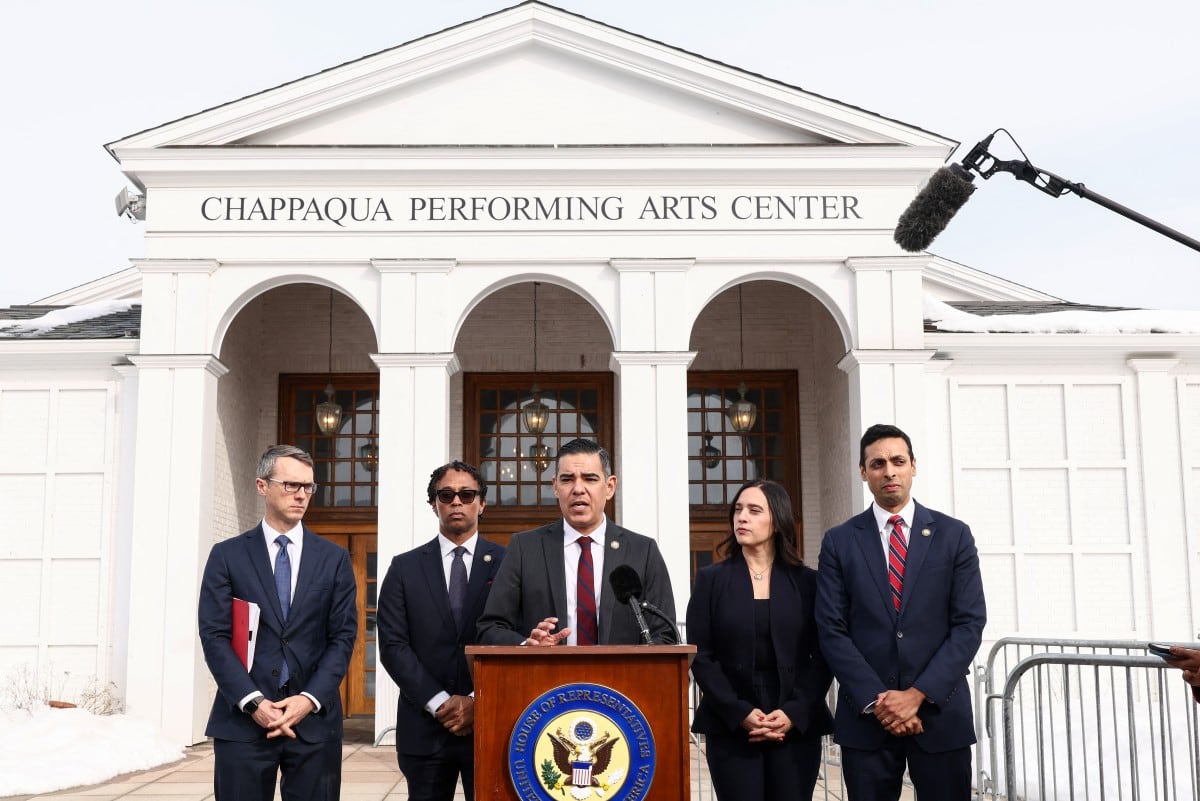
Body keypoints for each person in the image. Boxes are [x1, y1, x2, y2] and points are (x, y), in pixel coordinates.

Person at [815, 424, 986, 801]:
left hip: (940, 715)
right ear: (863, 472)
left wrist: (918, 694)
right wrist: (880, 700)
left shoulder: (954, 535)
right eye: (877, 464)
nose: (889, 471)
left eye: (897, 461)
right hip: (867, 720)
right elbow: (830, 628)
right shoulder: (839, 542)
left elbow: (969, 623)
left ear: (913, 466)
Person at [198, 444, 357, 801]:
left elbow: (343, 637)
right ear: (261, 486)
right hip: (242, 721)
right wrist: (252, 702)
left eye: (308, 487)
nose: (301, 495)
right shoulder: (227, 556)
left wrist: (309, 699)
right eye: (290, 485)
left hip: (314, 724)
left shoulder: (333, 559)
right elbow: (214, 635)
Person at [687, 479, 834, 801]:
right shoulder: (711, 580)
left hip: (793, 723)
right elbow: (702, 655)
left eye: (754, 511)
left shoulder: (808, 582)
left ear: (777, 521)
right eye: (738, 510)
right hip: (731, 721)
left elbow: (824, 654)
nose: (742, 517)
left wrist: (795, 711)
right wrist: (738, 712)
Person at [377, 461, 506, 801]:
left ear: (482, 503)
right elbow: (393, 645)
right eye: (446, 495)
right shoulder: (404, 568)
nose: (456, 502)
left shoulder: (511, 565)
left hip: (491, 725)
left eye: (466, 494)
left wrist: (478, 702)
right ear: (434, 503)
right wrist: (439, 702)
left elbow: (516, 637)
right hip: (425, 728)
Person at [477, 437, 677, 646]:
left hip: (621, 678)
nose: (578, 489)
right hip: (546, 676)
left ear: (609, 487)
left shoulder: (643, 551)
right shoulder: (524, 549)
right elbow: (491, 628)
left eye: (590, 479)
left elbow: (665, 634)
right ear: (555, 486)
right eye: (567, 479)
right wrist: (527, 646)